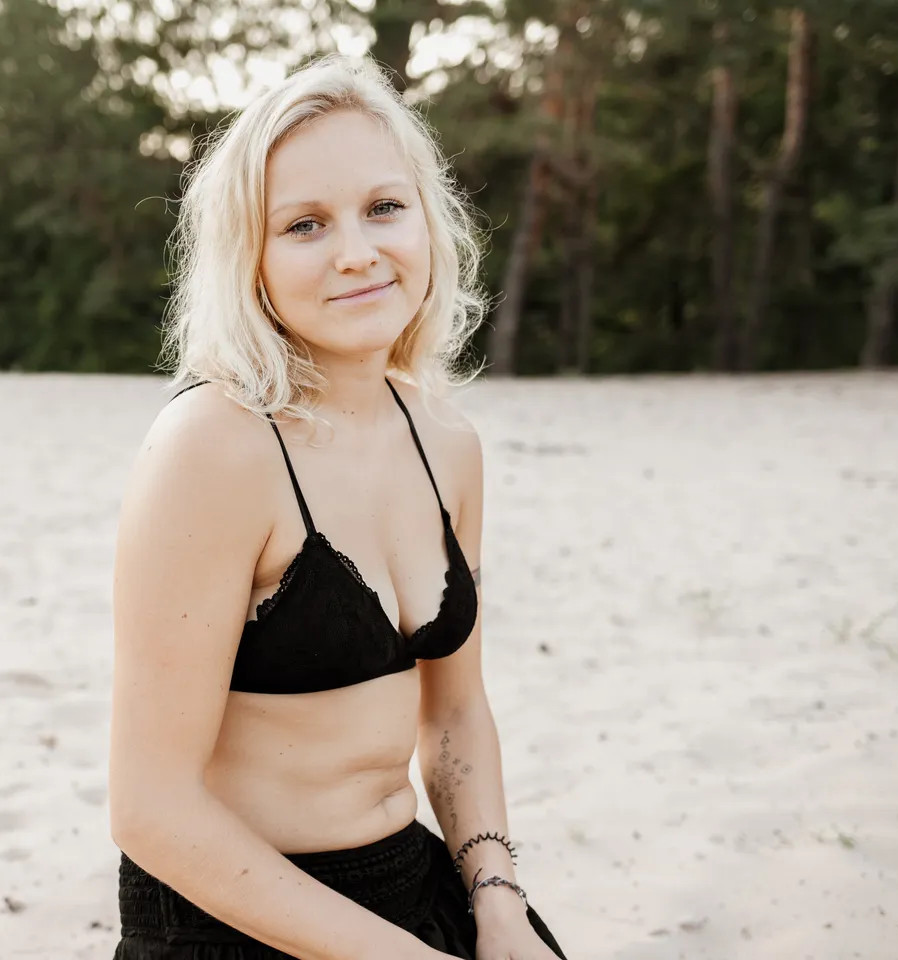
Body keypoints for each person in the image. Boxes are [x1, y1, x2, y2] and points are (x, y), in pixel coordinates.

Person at [107, 54, 568, 960]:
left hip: (410, 882)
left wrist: (500, 900)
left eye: (384, 208)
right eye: (306, 224)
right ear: (253, 258)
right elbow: (151, 808)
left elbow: (454, 715)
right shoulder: (215, 447)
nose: (358, 251)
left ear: (429, 221)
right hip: (229, 912)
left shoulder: (448, 444)